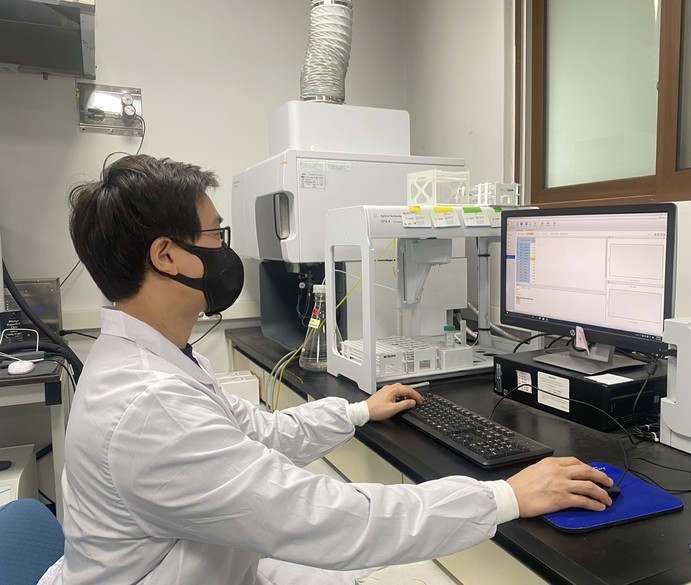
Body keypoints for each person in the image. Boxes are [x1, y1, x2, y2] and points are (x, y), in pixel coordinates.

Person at [49, 154, 613, 585]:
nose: (225, 250)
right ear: (167, 255)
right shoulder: (151, 404)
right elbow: (320, 518)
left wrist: (357, 412)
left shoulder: (154, 361)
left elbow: (260, 434)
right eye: (216, 235)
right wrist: (504, 497)